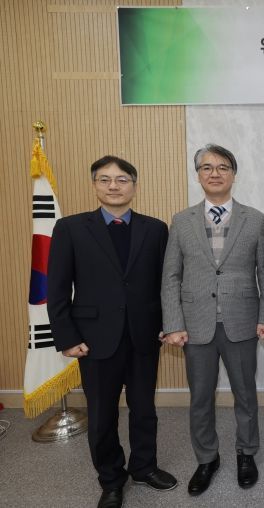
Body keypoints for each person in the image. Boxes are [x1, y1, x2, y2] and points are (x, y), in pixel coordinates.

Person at [48, 156, 177, 508]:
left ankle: (144, 467)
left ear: (134, 186)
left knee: (144, 408)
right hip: (93, 338)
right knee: (102, 414)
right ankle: (111, 479)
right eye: (104, 179)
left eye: (121, 179)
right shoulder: (71, 228)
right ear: (95, 185)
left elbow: (165, 285)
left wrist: (168, 325)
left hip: (144, 334)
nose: (113, 186)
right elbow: (57, 288)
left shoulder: (155, 229)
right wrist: (67, 337)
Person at [160, 144, 264, 496]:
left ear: (233, 174)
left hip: (242, 321)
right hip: (195, 325)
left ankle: (246, 453)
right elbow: (171, 276)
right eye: (207, 167)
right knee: (200, 398)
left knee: (245, 394)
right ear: (198, 175)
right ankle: (207, 458)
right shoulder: (182, 220)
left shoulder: (254, 219)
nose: (215, 173)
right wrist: (174, 323)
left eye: (223, 167)